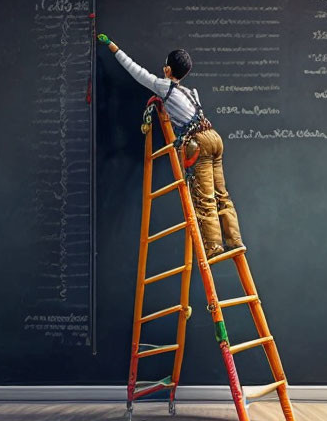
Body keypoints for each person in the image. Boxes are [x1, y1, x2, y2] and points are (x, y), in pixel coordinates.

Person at [97, 33, 243, 258]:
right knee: (221, 193)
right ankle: (234, 239)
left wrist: (112, 46)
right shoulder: (190, 92)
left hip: (200, 143)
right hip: (214, 138)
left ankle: (213, 246)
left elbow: (134, 70)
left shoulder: (163, 87)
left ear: (167, 69)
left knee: (204, 196)